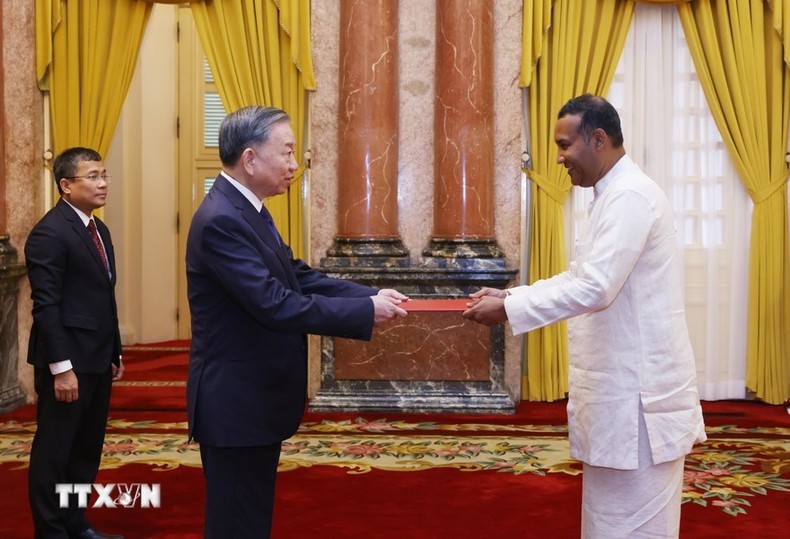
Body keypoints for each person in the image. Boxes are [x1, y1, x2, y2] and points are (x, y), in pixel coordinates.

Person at [463, 94, 706, 538]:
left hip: (639, 400)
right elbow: (581, 275)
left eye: (563, 145)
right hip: (623, 395)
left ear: (598, 139)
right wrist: (512, 294)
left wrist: (511, 309)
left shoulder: (630, 196)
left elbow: (596, 288)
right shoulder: (609, 195)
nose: (558, 158)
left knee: (634, 526)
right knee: (609, 522)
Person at [186, 105, 409, 538]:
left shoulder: (247, 209)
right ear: (250, 159)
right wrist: (364, 313)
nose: (294, 164)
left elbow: (298, 276)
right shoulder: (221, 221)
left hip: (253, 401)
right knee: (236, 524)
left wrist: (370, 295)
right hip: (234, 405)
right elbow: (275, 304)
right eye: (287, 153)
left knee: (250, 520)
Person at [25, 147, 124, 539]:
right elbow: (46, 307)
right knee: (55, 451)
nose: (102, 184)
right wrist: (62, 369)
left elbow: (102, 297)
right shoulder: (50, 233)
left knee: (85, 449)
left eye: (105, 175)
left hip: (97, 359)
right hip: (66, 364)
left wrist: (114, 349)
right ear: (66, 185)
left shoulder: (99, 230)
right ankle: (50, 532)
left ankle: (75, 523)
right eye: (93, 177)